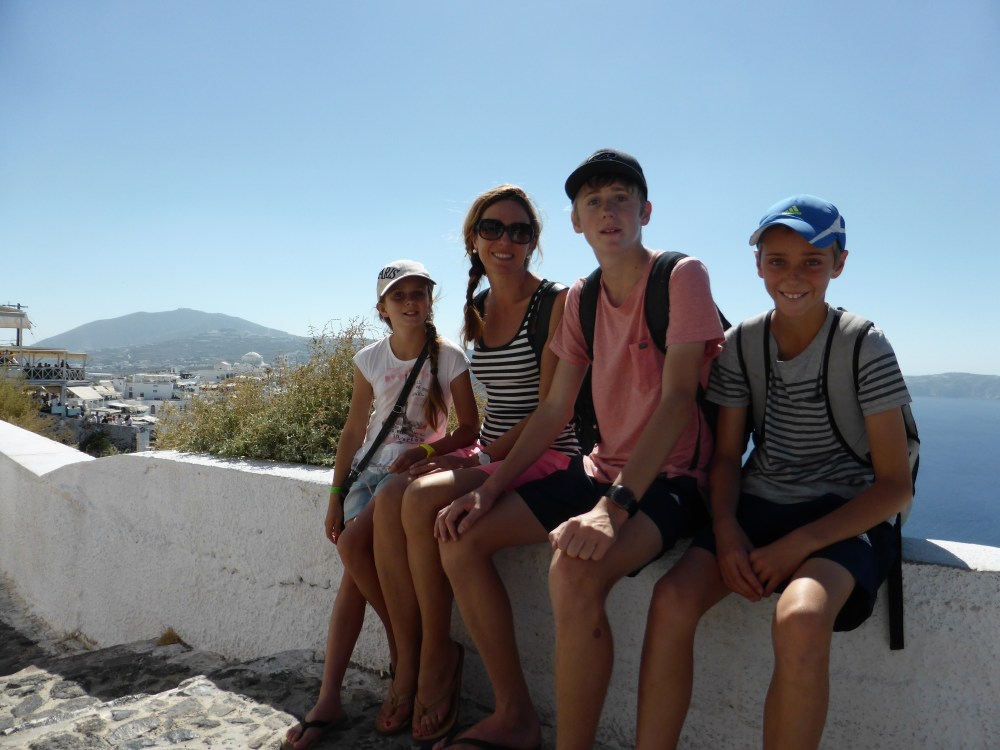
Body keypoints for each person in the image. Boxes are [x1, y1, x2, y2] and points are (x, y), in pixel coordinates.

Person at [431, 149, 724, 750]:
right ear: (575, 221)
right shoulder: (584, 297)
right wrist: (489, 488)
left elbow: (676, 402)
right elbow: (554, 409)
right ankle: (515, 716)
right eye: (593, 202)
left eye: (620, 199)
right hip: (600, 471)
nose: (607, 212)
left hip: (669, 479)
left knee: (572, 571)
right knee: (461, 538)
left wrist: (612, 510)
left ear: (645, 211)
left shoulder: (680, 276)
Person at [637, 196, 913, 750]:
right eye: (778, 260)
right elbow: (726, 458)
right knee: (671, 600)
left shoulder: (863, 344)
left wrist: (796, 547)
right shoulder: (743, 343)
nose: (793, 276)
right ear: (758, 265)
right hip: (759, 504)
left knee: (801, 619)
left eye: (813, 261)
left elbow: (894, 486)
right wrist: (726, 529)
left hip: (843, 513)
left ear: (839, 264)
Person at [371, 185, 580, 743]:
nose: (505, 240)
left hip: (546, 451)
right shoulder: (479, 307)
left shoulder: (556, 303)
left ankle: (436, 659)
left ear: (534, 241)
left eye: (520, 230)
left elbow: (551, 412)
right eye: (492, 228)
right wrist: (446, 453)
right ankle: (413, 656)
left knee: (420, 497)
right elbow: (488, 409)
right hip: (492, 447)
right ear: (473, 239)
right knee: (391, 494)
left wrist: (479, 458)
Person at [282, 259, 479, 750]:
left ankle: (392, 666)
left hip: (409, 476)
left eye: (419, 293)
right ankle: (388, 666)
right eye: (399, 295)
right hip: (367, 477)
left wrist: (425, 453)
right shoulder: (369, 359)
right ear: (382, 308)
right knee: (354, 574)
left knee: (353, 551)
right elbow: (354, 430)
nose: (411, 302)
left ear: (431, 301)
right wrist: (335, 495)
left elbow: (469, 429)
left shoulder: (449, 357)